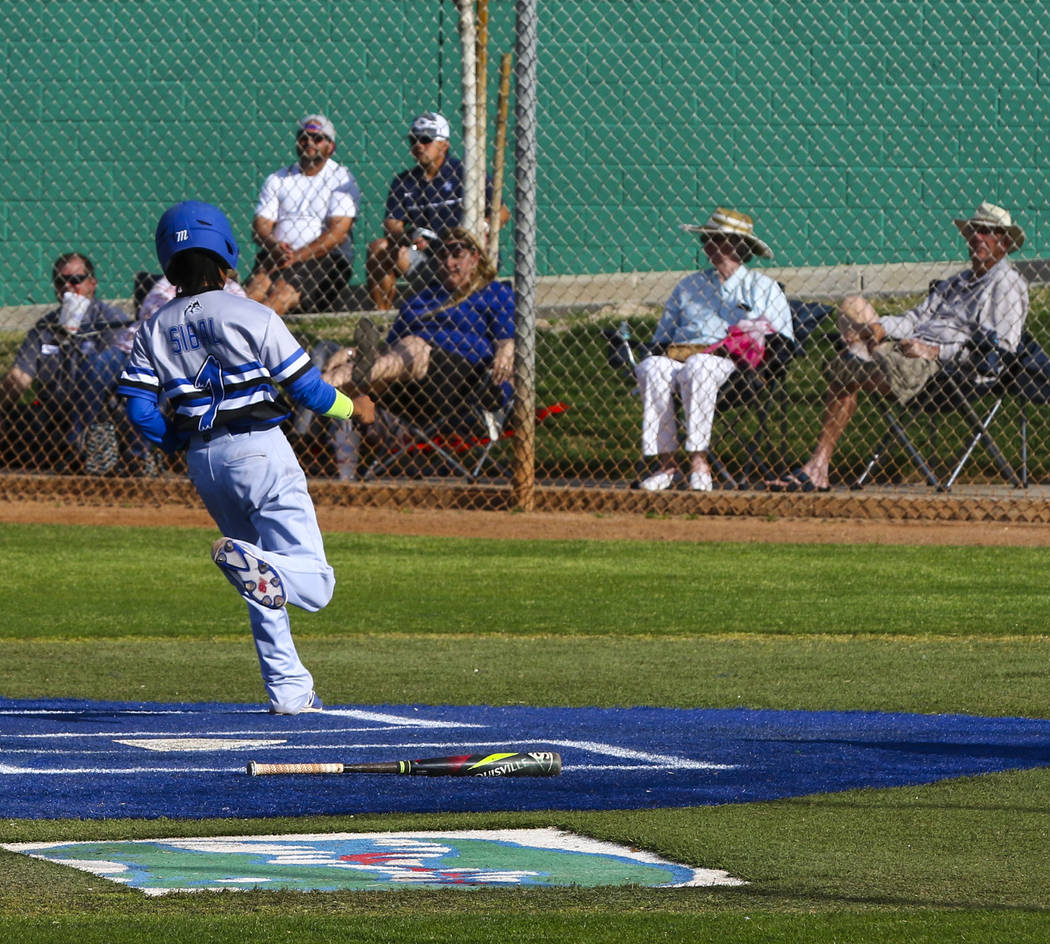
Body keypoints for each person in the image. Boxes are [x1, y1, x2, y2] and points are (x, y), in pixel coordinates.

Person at [117, 201, 375, 714]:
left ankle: (289, 690)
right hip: (260, 450)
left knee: (259, 576)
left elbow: (139, 408)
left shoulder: (154, 326)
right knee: (314, 583)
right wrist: (353, 408)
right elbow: (307, 390)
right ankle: (283, 667)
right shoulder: (254, 313)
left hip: (204, 461)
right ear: (225, 254)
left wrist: (175, 443)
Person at [770, 201, 1029, 492]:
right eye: (973, 231)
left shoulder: (1006, 284)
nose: (976, 237)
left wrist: (936, 352)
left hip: (946, 372)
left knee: (848, 369)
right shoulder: (957, 282)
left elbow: (999, 350)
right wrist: (881, 328)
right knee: (853, 314)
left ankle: (818, 465)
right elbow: (916, 318)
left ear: (1004, 242)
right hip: (909, 351)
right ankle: (819, 463)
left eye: (986, 232)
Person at [324, 226, 513, 465]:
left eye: (457, 254)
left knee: (413, 345)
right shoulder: (419, 300)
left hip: (460, 382)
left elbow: (508, 338)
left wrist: (506, 351)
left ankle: (317, 387)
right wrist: (351, 352)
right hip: (407, 388)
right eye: (442, 255)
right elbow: (389, 350)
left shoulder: (494, 292)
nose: (448, 261)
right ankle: (345, 475)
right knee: (354, 376)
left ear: (475, 258)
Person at [634, 208, 793, 492]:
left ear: (736, 246)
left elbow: (782, 343)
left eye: (715, 239)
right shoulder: (689, 285)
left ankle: (699, 462)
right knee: (652, 367)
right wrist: (657, 353)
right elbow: (660, 339)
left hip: (731, 367)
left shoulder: (763, 287)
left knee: (701, 366)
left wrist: (761, 367)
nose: (706, 245)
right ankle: (666, 466)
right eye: (706, 239)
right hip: (681, 357)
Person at [1, 252, 135, 474]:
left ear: (92, 283)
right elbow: (20, 376)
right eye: (61, 281)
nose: (68, 286)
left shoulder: (112, 322)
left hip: (96, 417)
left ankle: (79, 451)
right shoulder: (45, 327)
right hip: (52, 413)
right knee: (15, 420)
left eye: (76, 280)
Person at [365, 111, 510, 311]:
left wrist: (482, 228)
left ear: (444, 144)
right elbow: (392, 224)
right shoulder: (404, 182)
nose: (418, 145)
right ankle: (381, 317)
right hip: (428, 259)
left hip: (465, 257)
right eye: (413, 140)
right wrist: (409, 237)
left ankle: (474, 305)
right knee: (379, 248)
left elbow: (502, 212)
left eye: (426, 140)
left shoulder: (468, 174)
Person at [244, 114, 361, 316]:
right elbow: (261, 224)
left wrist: (295, 257)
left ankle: (251, 345)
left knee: (278, 297)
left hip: (322, 259)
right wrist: (274, 245)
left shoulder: (342, 178)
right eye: (304, 137)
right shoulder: (278, 178)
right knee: (249, 296)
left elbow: (338, 233)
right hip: (278, 255)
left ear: (331, 146)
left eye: (317, 138)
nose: (309, 142)